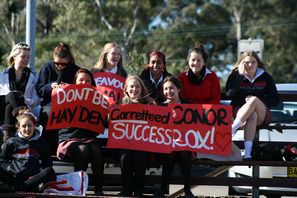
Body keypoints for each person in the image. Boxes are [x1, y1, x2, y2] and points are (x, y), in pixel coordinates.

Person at [56, 68, 106, 196]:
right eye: (81, 80)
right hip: (69, 139)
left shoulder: (98, 99)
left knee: (97, 150)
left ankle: (98, 188)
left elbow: (103, 123)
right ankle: (79, 188)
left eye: (87, 80)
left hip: (89, 139)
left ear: (92, 83)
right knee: (83, 150)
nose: (84, 83)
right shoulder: (65, 96)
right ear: (75, 82)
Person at [225, 51, 279, 160]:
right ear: (241, 63)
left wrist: (256, 101)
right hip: (240, 113)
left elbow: (275, 100)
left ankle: (231, 129)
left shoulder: (265, 76)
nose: (250, 65)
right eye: (247, 62)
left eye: (253, 62)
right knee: (252, 115)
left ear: (257, 63)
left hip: (262, 114)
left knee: (254, 100)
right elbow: (229, 94)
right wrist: (240, 76)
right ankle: (248, 153)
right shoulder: (235, 76)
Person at [35, 42, 80, 154]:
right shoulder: (47, 68)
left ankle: (67, 145)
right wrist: (51, 87)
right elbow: (39, 88)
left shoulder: (75, 70)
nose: (59, 66)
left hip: (69, 104)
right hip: (50, 104)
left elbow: (80, 90)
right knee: (51, 113)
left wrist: (69, 88)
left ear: (68, 60)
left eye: (63, 64)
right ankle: (50, 146)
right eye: (57, 63)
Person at [154, 76, 194, 198]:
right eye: (166, 89)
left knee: (184, 151)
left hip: (184, 145)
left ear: (179, 89)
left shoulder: (189, 106)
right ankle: (162, 189)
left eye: (172, 88)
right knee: (171, 151)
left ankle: (187, 190)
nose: (168, 91)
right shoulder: (160, 107)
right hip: (165, 146)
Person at [0, 108, 56, 193]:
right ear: (18, 128)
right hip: (15, 177)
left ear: (34, 126)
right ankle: (29, 188)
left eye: (30, 125)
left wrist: (36, 175)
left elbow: (47, 164)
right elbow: (2, 161)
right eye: (24, 126)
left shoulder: (42, 143)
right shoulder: (12, 141)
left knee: (50, 172)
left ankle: (15, 189)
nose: (27, 129)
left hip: (33, 179)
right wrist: (10, 169)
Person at [118, 75, 155, 197]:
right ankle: (127, 188)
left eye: (137, 86)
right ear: (126, 89)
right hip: (125, 143)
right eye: (131, 86)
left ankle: (139, 189)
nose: (134, 89)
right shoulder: (120, 104)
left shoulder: (150, 103)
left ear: (142, 88)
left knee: (140, 157)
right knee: (125, 157)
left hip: (143, 144)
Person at [0, 42, 40, 148]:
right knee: (11, 95)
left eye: (28, 57)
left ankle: (6, 139)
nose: (27, 60)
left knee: (10, 106)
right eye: (23, 56)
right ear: (14, 56)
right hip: (3, 107)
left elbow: (37, 100)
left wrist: (22, 100)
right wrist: (16, 97)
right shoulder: (3, 75)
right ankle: (21, 110)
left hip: (18, 109)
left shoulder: (33, 76)